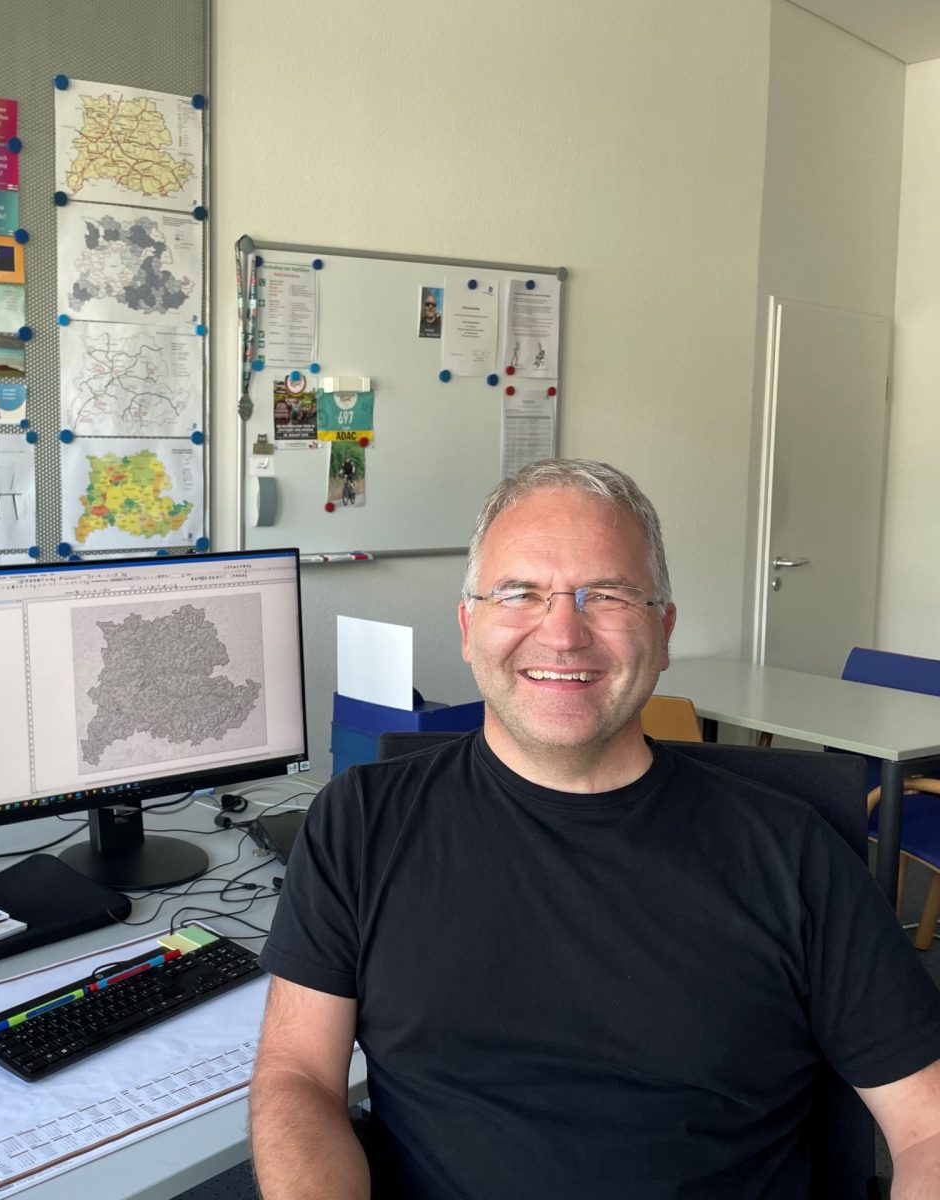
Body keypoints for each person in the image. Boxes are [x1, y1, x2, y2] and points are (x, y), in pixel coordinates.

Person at [251, 458, 940, 1199]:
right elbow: (297, 1077)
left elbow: (927, 1128)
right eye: (519, 593)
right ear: (467, 626)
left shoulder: (791, 851)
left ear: (664, 629)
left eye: (606, 595)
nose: (563, 633)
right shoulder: (360, 822)